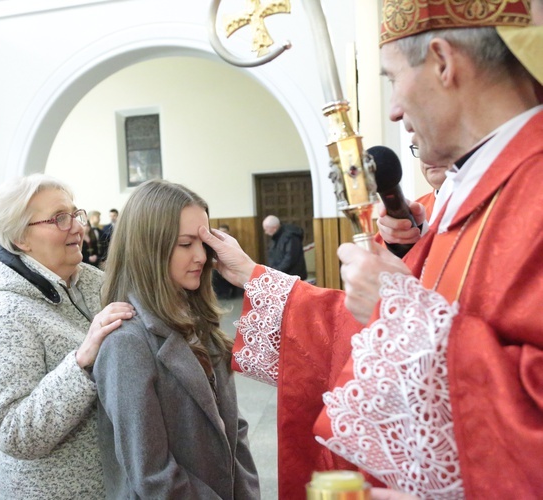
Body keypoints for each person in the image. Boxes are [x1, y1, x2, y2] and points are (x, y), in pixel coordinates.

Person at [199, 3, 543, 499]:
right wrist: (257, 277)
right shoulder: (470, 195)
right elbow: (360, 339)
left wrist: (401, 312)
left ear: (444, 61)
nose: (394, 110)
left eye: (393, 78)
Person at [0, 174, 134, 498]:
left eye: (75, 214)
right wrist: (81, 363)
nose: (76, 226)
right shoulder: (2, 314)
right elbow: (14, 433)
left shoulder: (92, 281)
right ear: (20, 238)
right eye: (60, 218)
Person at [94, 180, 259, 499]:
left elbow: (232, 430)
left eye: (203, 242)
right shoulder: (127, 341)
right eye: (185, 244)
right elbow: (152, 475)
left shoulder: (200, 322)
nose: (201, 256)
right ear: (149, 248)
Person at [261, 215, 307, 279]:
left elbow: (290, 258)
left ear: (274, 228)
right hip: (281, 274)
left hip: (292, 275)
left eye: (266, 229)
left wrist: (277, 271)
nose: (265, 232)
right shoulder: (276, 236)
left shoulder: (291, 237)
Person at [212, 224, 243, 299]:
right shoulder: (214, 243)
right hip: (218, 265)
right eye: (221, 232)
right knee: (214, 273)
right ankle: (220, 293)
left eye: (224, 232)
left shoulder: (233, 242)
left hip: (231, 264)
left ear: (228, 232)